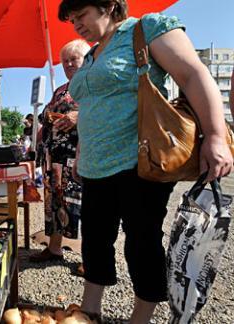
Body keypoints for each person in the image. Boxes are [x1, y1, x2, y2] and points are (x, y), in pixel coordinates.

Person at [58, 0, 233, 323]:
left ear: (109, 6)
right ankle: (89, 312)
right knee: (95, 240)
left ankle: (141, 317)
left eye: (80, 15)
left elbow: (193, 75)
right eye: (71, 20)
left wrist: (215, 136)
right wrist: (82, 150)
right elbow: (94, 106)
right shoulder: (94, 54)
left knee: (141, 241)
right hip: (95, 166)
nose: (76, 25)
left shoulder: (145, 29)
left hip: (139, 160)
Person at [29, 40, 90, 279]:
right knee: (54, 204)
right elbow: (46, 116)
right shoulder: (61, 89)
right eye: (65, 60)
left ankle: (90, 258)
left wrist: (79, 115)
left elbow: (103, 111)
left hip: (78, 157)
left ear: (87, 60)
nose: (68, 63)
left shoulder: (92, 86)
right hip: (53, 159)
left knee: (83, 208)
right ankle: (54, 248)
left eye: (74, 59)